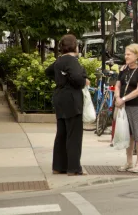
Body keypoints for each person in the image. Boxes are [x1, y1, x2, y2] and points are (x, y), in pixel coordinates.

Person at [45, 34, 89, 176]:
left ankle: (58, 166)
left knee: (62, 133)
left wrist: (62, 78)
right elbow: (78, 79)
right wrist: (84, 80)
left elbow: (48, 72)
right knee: (74, 135)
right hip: (71, 99)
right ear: (74, 46)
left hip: (59, 98)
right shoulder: (72, 60)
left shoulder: (60, 60)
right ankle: (73, 168)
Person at [115, 43, 138, 173]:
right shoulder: (123, 69)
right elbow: (118, 85)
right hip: (123, 106)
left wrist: (123, 99)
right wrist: (118, 97)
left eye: (128, 54)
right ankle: (129, 162)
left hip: (137, 105)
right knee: (127, 134)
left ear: (136, 55)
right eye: (125, 54)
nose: (126, 56)